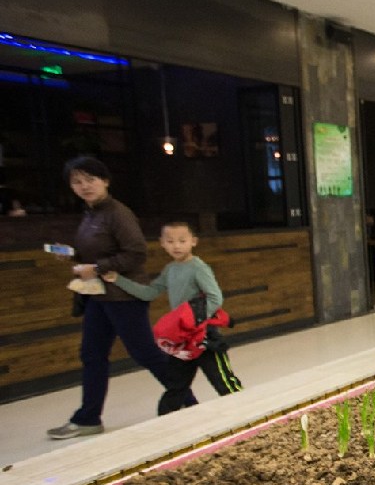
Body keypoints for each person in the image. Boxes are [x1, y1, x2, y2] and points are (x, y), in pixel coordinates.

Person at [47, 157, 191, 440]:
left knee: (145, 353)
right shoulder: (91, 214)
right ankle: (88, 418)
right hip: (99, 297)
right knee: (92, 355)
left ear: (105, 181)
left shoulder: (118, 213)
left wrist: (98, 268)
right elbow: (96, 253)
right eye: (77, 181)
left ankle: (190, 404)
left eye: (91, 179)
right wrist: (73, 256)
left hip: (124, 294)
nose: (84, 186)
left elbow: (136, 253)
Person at [102, 221, 243, 414]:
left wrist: (196, 320)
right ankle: (165, 422)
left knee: (223, 380)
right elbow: (150, 292)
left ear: (193, 241)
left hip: (204, 336)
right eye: (170, 241)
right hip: (181, 339)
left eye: (182, 241)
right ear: (162, 243)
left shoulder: (198, 268)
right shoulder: (170, 269)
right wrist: (118, 280)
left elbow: (215, 297)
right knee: (176, 385)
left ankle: (246, 414)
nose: (176, 246)